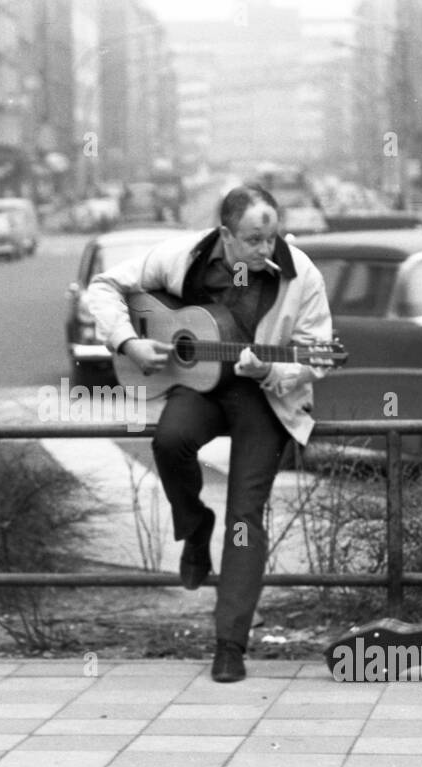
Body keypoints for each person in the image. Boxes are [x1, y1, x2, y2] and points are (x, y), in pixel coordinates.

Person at [85, 185, 333, 683]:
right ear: (225, 234)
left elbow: (316, 352)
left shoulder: (301, 273)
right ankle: (195, 527)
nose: (267, 249)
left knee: (245, 514)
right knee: (169, 441)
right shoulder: (184, 256)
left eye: (273, 236)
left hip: (262, 399)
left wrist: (270, 371)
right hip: (198, 386)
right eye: (254, 239)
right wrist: (129, 342)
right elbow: (103, 287)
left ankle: (230, 644)